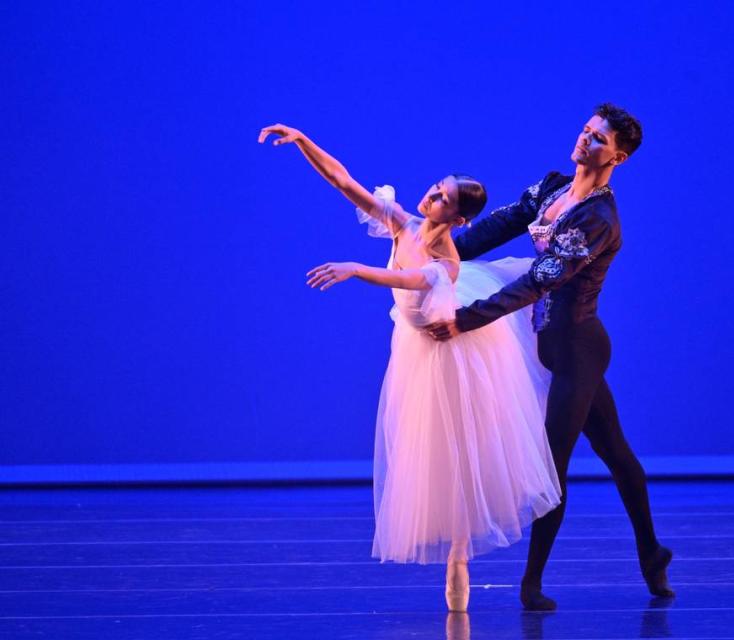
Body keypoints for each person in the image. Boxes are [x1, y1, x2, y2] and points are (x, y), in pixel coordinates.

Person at [258, 123, 561, 612]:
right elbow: (344, 182)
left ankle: (460, 557)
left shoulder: (447, 260)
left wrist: (356, 269)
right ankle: (454, 558)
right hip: (415, 351)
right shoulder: (405, 224)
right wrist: (303, 142)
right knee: (428, 453)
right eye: (434, 188)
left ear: (459, 218)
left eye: (442, 198)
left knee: (461, 454)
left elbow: (404, 277)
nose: (430, 198)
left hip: (456, 358)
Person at [425, 104, 675, 610]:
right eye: (587, 131)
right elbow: (495, 229)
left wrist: (466, 318)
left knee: (550, 465)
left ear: (618, 157)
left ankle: (530, 584)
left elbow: (541, 278)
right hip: (551, 344)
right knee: (617, 453)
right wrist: (439, 247)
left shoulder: (599, 218)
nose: (586, 141)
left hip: (579, 350)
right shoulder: (553, 188)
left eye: (599, 139)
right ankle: (652, 552)